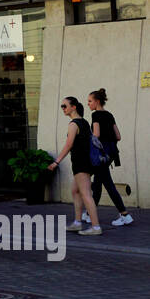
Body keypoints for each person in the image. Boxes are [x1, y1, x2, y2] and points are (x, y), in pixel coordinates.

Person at [48, 97, 102, 235]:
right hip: (84, 163)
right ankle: (77, 223)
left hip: (81, 163)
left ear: (74, 107)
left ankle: (96, 227)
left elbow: (68, 145)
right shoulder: (83, 122)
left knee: (85, 194)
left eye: (64, 106)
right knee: (75, 191)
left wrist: (56, 162)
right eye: (62, 106)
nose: (63, 109)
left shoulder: (74, 124)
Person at [86, 89, 132, 226]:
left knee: (107, 184)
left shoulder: (96, 115)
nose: (88, 104)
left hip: (101, 154)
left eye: (90, 101)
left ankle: (124, 214)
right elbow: (118, 136)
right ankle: (89, 213)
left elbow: (96, 134)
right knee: (98, 183)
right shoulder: (109, 115)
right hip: (111, 153)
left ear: (97, 101)